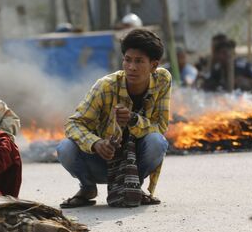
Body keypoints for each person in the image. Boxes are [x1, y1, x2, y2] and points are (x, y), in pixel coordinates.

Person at [56, 28, 170, 208]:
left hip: (135, 158)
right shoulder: (106, 86)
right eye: (128, 60)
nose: (131, 67)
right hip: (101, 161)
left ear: (154, 65)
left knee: (157, 142)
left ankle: (133, 185)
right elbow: (73, 123)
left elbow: (161, 126)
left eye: (139, 61)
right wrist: (96, 143)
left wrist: (133, 120)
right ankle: (87, 188)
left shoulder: (163, 80)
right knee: (65, 148)